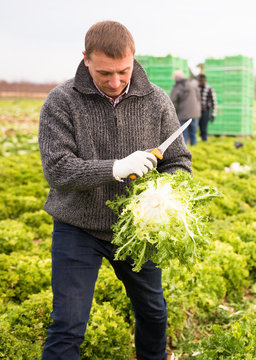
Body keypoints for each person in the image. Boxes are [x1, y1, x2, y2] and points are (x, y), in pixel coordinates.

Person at [38, 20, 191, 360]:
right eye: (104, 73)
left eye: (123, 71)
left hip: (138, 230)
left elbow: (179, 161)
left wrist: (162, 194)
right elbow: (58, 170)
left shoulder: (156, 100)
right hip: (78, 227)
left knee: (153, 312)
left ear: (133, 59)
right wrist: (115, 168)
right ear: (86, 59)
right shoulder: (61, 102)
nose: (115, 81)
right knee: (67, 324)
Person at [170, 70, 201, 146]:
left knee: (183, 135)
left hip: (183, 114)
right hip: (195, 113)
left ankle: (184, 152)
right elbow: (198, 97)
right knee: (193, 133)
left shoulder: (177, 87)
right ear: (183, 76)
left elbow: (171, 101)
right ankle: (195, 148)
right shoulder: (193, 84)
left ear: (175, 78)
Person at [197, 74, 217, 142]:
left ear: (205, 80)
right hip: (197, 111)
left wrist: (213, 114)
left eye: (202, 80)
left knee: (204, 128)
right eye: (199, 80)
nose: (200, 82)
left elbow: (214, 103)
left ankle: (204, 140)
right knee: (196, 127)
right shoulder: (197, 89)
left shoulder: (209, 89)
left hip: (205, 111)